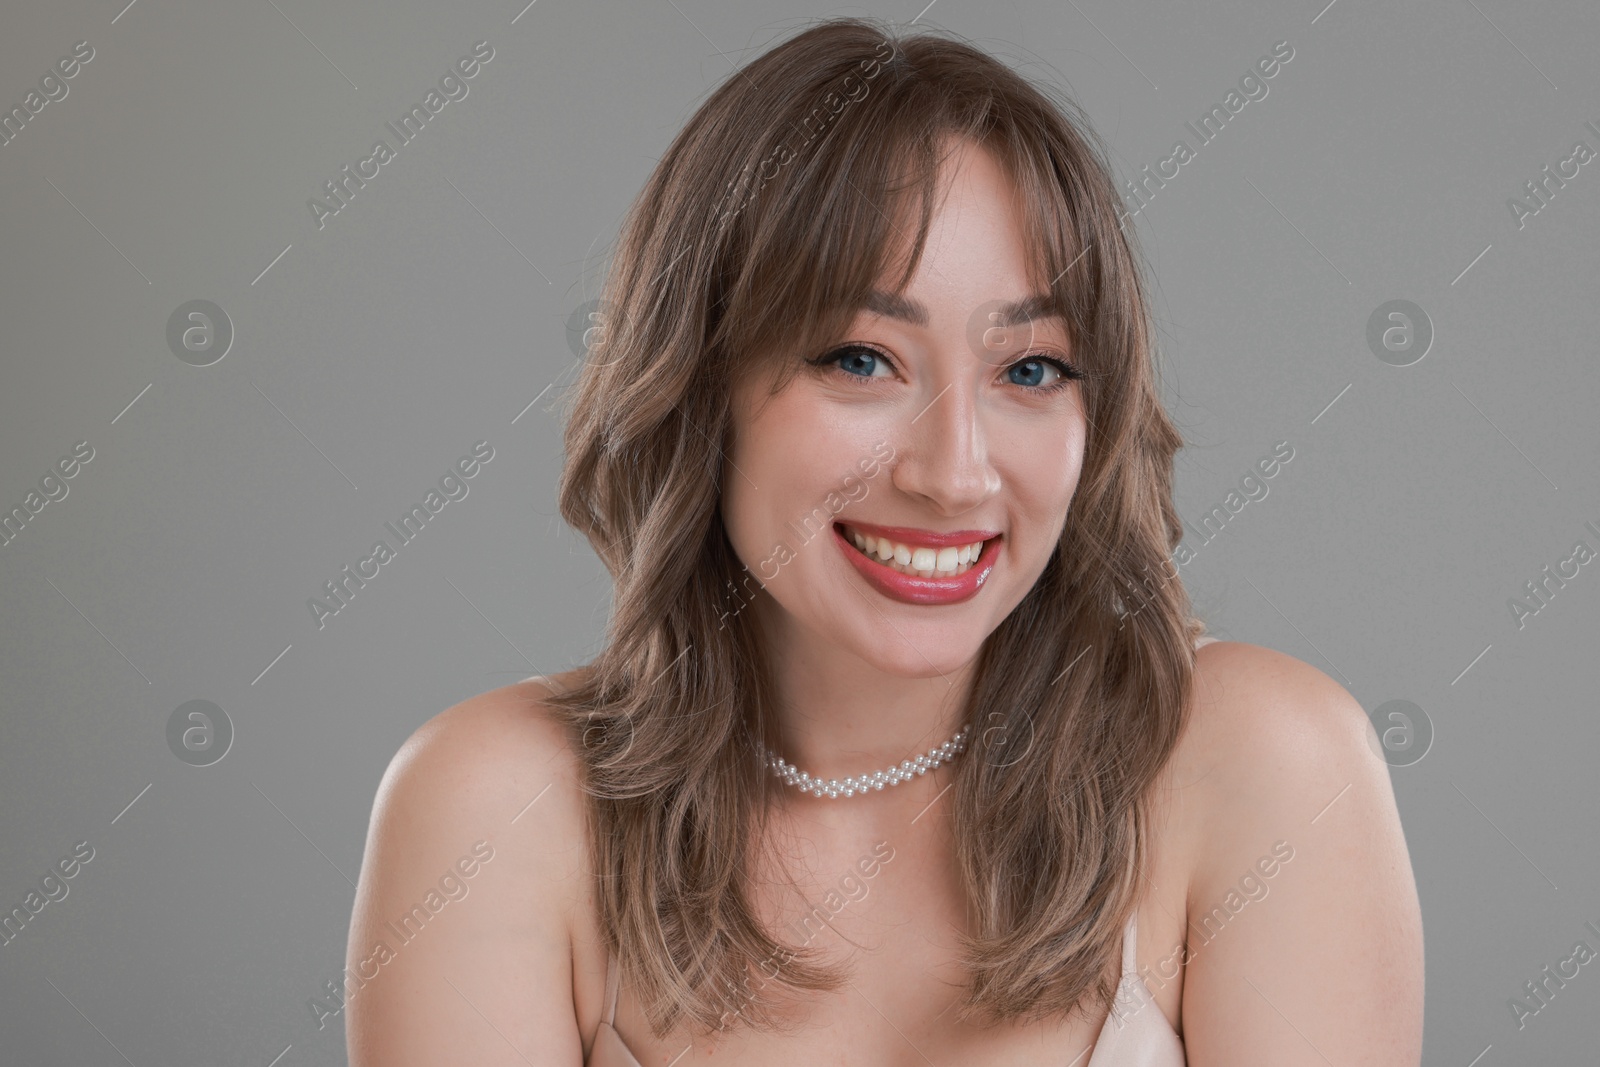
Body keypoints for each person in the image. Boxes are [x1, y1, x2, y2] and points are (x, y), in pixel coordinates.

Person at [345, 17, 1423, 1066]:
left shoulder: (1261, 764)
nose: (953, 472)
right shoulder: (494, 809)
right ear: (702, 385)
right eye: (861, 360)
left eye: (1030, 368)